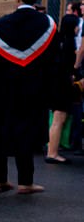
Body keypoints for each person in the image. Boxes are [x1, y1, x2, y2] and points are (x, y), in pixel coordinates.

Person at [0, 0, 57, 194]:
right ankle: (26, 182)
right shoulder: (48, 25)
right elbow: (54, 63)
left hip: (3, 92)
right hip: (32, 92)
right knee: (26, 132)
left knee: (0, 130)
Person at [45, 12, 79, 164]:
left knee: (57, 118)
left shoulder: (58, 40)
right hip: (63, 84)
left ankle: (52, 150)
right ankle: (52, 153)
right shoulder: (69, 42)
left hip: (55, 83)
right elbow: (68, 66)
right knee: (59, 118)